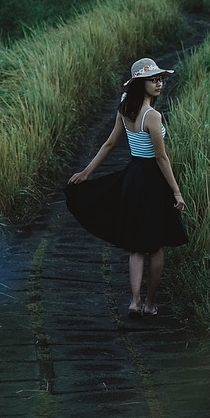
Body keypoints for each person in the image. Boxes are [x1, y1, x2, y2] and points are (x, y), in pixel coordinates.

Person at [65, 57, 187, 317]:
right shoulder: (153, 116)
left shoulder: (124, 109)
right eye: (153, 80)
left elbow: (109, 145)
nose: (159, 83)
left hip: (133, 178)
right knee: (155, 244)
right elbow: (161, 158)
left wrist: (87, 172)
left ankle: (134, 301)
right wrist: (176, 191)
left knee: (136, 244)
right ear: (140, 84)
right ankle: (150, 304)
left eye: (160, 79)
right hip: (152, 180)